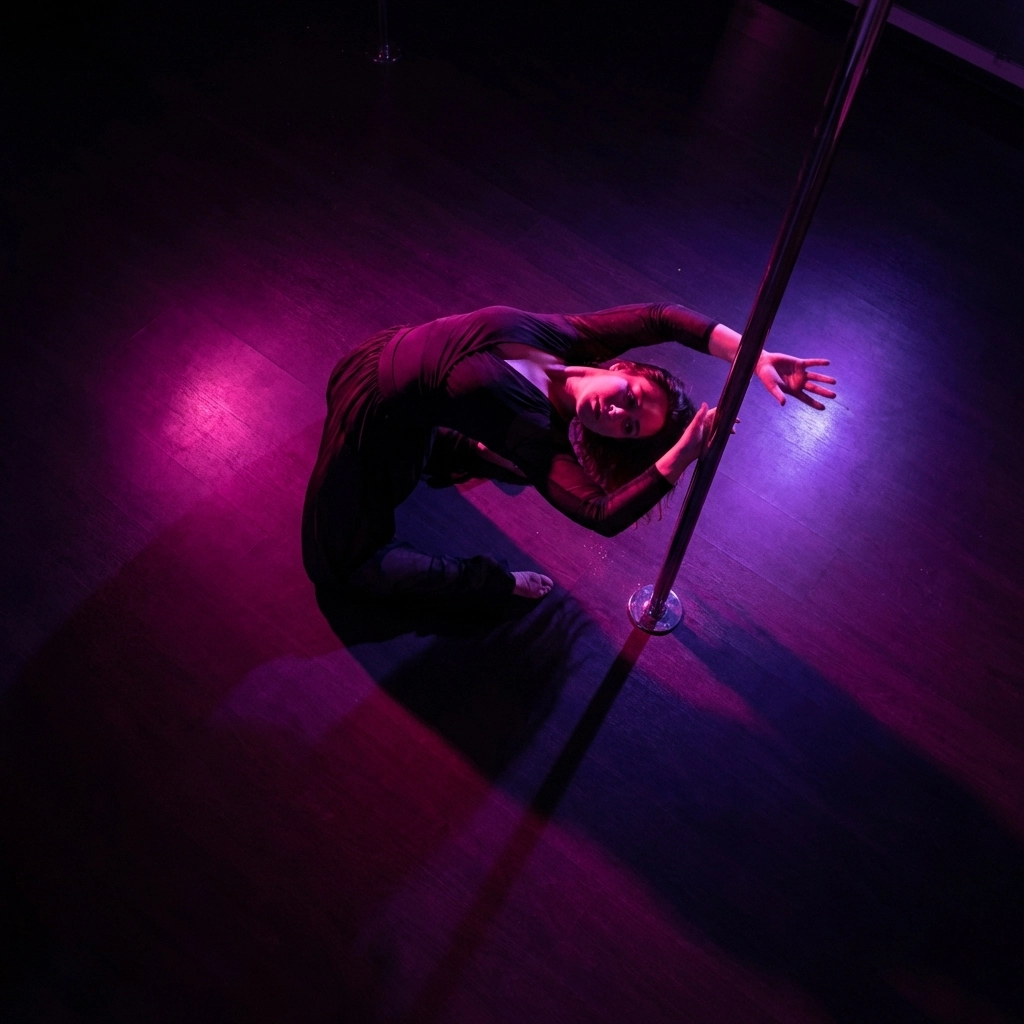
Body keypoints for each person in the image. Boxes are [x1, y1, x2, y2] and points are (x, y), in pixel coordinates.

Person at [301, 303, 836, 604]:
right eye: (630, 400)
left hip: (375, 419)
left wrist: (684, 455)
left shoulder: (537, 435)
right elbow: (661, 319)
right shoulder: (569, 337)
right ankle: (451, 452)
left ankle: (496, 584)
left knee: (336, 567)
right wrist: (752, 354)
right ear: (622, 369)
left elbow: (599, 515)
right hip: (373, 353)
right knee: (435, 452)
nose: (615, 414)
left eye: (627, 429)